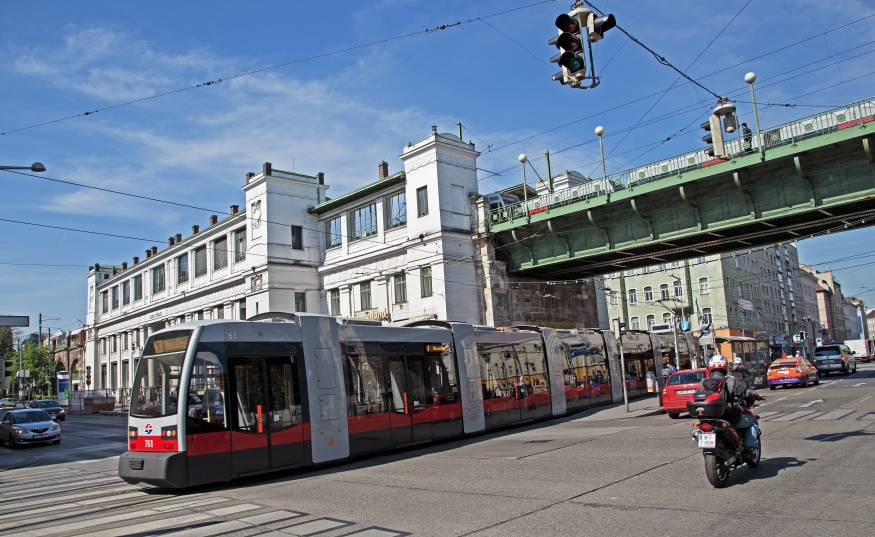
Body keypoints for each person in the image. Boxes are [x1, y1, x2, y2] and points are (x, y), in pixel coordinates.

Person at [699, 355, 763, 456]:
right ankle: (749, 448)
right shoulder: (730, 380)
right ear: (725, 366)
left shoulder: (703, 382)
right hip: (728, 416)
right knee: (753, 421)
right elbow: (744, 392)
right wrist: (757, 395)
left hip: (708, 418)